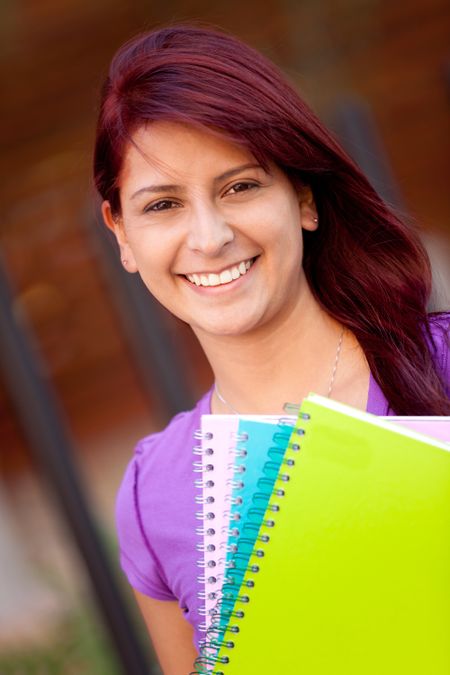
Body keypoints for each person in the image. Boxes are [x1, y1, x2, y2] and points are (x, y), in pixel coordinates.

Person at [93, 24, 450, 675]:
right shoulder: (154, 495)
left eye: (241, 187)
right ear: (120, 232)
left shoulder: (444, 362)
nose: (210, 236)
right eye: (163, 204)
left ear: (304, 197)